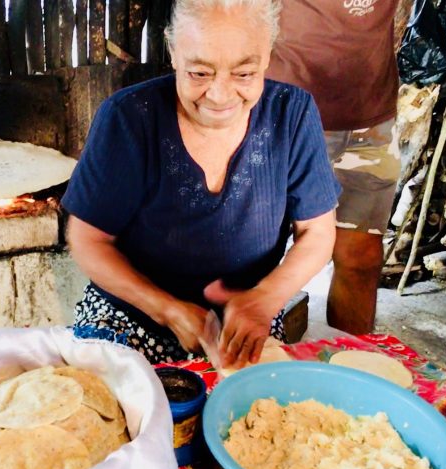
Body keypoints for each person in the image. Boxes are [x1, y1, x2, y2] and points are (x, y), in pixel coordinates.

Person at [61, 0, 341, 367]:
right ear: (174, 53)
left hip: (245, 323)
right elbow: (87, 239)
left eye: (244, 74)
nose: (220, 96)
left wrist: (265, 299)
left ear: (267, 56)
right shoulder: (128, 119)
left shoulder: (292, 114)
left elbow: (317, 233)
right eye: (199, 73)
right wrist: (165, 309)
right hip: (131, 315)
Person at [266, 0, 402, 334]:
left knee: (361, 260)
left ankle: (347, 367)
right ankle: (234, 374)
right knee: (255, 257)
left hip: (369, 120)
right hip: (282, 115)